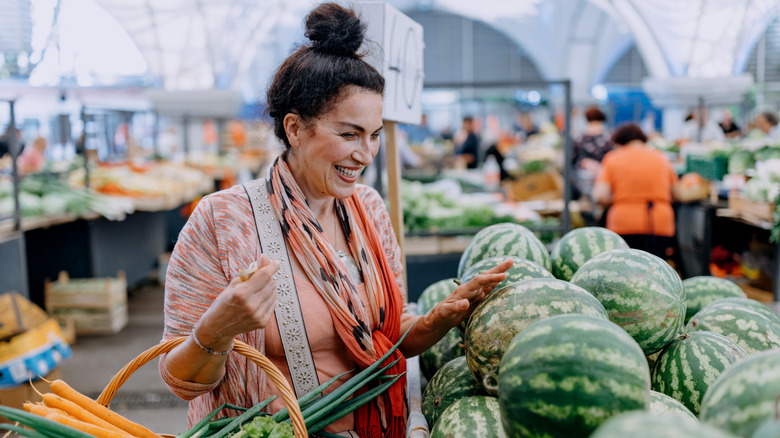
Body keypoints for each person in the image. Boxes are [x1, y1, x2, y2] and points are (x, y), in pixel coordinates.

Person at [158, 4, 512, 437]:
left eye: (374, 135)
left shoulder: (369, 210)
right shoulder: (223, 221)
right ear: (294, 128)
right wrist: (217, 328)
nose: (365, 154)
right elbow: (180, 381)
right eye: (348, 134)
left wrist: (436, 322)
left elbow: (389, 335)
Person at [592, 123, 679, 259]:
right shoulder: (662, 158)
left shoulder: (613, 158)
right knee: (657, 274)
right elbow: (676, 193)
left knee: (624, 273)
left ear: (620, 141)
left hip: (623, 222)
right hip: (659, 222)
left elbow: (600, 195)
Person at [571, 107, 613, 199]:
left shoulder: (579, 139)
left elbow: (572, 160)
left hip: (583, 180)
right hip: (603, 180)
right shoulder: (608, 138)